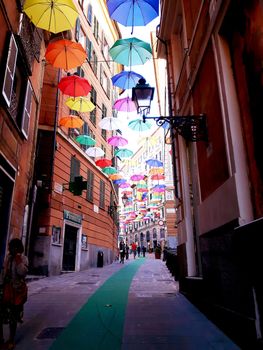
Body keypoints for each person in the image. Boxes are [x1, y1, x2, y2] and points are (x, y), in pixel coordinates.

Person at [0, 238, 28, 350]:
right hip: (6, 290)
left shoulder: (23, 259)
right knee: (1, 315)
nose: (9, 249)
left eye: (12, 247)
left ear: (17, 248)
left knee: (13, 317)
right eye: (9, 247)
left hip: (17, 293)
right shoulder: (8, 258)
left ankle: (11, 339)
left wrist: (18, 260)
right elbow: (3, 272)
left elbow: (22, 273)